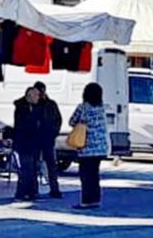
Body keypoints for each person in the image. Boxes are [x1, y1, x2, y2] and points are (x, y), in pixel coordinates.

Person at [69, 82, 110, 211]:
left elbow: (72, 121)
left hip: (86, 147)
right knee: (94, 175)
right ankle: (95, 199)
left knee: (86, 176)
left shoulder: (83, 107)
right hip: (100, 148)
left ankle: (86, 201)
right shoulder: (101, 108)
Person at [32, 83, 64, 199]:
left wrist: (53, 133)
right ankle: (33, 190)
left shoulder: (51, 104)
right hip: (35, 138)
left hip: (48, 138)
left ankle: (54, 189)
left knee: (51, 164)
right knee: (34, 164)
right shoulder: (32, 104)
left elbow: (58, 120)